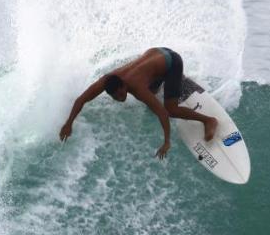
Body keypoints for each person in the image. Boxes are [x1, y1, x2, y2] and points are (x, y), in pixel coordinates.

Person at [59, 47, 219, 159]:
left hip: (173, 61)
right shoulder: (105, 81)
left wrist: (166, 142)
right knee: (154, 94)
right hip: (156, 53)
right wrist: (69, 123)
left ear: (124, 85)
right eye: (116, 97)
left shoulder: (137, 88)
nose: (121, 98)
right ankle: (169, 82)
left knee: (171, 109)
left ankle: (208, 120)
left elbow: (162, 113)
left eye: (121, 94)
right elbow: (81, 100)